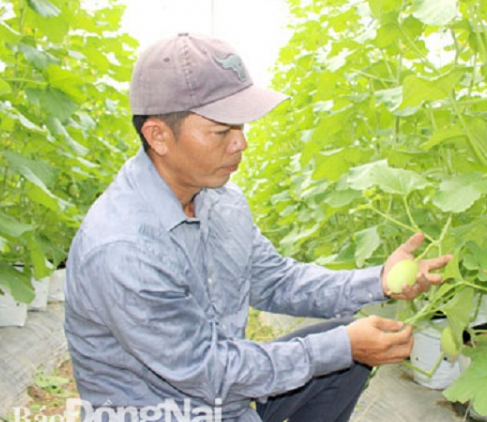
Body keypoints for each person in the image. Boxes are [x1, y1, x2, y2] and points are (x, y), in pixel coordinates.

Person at [63, 33, 452, 422]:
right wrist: (341, 347)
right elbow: (206, 371)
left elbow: (277, 280)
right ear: (159, 136)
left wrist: (379, 282)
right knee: (339, 348)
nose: (241, 144)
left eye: (242, 127)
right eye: (222, 132)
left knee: (342, 354)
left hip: (226, 400)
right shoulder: (122, 246)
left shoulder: (221, 202)